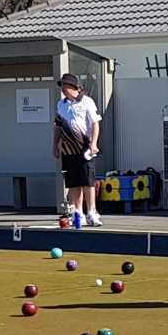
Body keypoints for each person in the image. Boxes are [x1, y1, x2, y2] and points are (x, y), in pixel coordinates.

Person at [54, 73, 103, 226]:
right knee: (73, 183)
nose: (63, 88)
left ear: (73, 86)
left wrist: (94, 143)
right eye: (62, 85)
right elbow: (57, 126)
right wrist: (55, 145)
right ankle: (78, 213)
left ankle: (92, 213)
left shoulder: (87, 102)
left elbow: (95, 123)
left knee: (87, 182)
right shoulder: (61, 104)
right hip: (68, 150)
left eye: (65, 85)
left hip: (85, 148)